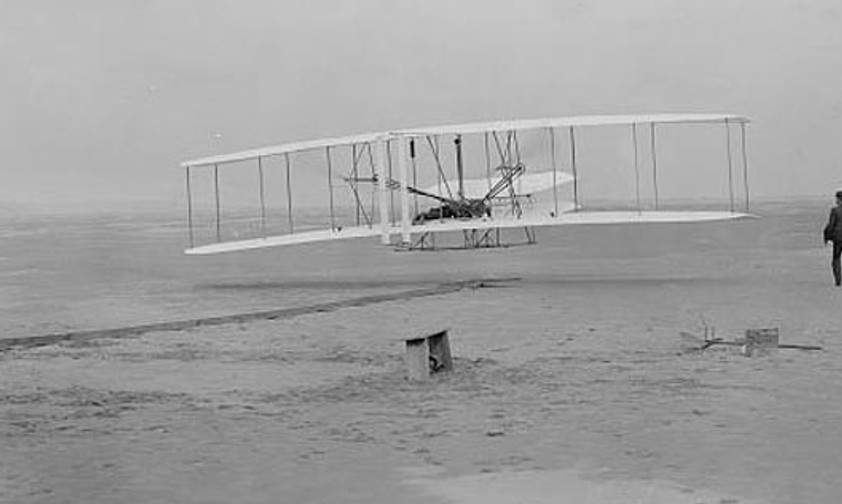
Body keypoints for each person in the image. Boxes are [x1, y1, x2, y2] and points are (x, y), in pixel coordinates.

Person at [823, 190, 842, 286]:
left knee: (836, 259)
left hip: (838, 238)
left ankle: (838, 281)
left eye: (837, 198)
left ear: (839, 199)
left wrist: (826, 236)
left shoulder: (835, 210)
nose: (836, 200)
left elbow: (831, 225)